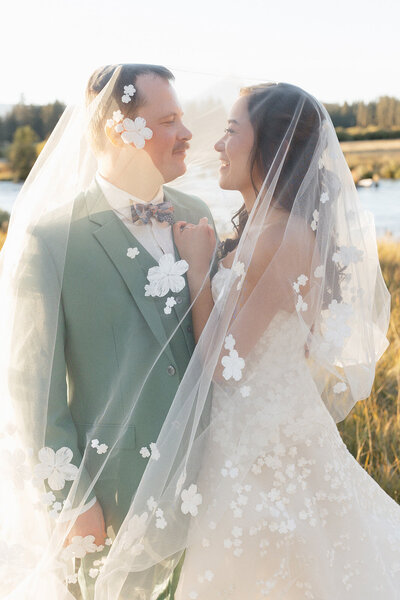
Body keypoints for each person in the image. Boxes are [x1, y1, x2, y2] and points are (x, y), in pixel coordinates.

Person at [169, 82, 400, 598]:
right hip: (258, 435)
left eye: (231, 131)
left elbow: (225, 364)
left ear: (269, 147)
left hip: (265, 449)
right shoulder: (265, 228)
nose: (217, 145)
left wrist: (197, 272)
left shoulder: (281, 236)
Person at [0, 64, 216, 600]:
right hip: (114, 501)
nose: (187, 134)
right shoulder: (52, 241)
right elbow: (34, 391)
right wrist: (70, 499)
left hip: (210, 486)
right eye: (169, 119)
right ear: (122, 130)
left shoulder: (198, 214)